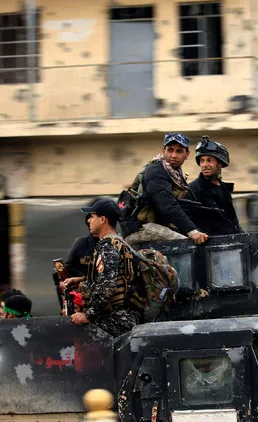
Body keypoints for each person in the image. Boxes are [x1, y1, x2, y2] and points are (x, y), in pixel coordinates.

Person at [65, 198, 146, 337]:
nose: (89, 220)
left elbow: (106, 287)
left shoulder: (108, 246)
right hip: (125, 318)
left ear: (102, 219)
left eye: (92, 216)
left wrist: (88, 315)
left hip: (115, 320)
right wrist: (81, 280)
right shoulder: (119, 243)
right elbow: (115, 276)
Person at [121, 132, 209, 245]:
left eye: (179, 151)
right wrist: (192, 231)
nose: (174, 155)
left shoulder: (176, 176)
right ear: (164, 151)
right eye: (170, 150)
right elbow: (167, 205)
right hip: (138, 227)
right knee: (185, 244)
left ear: (187, 154)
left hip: (153, 225)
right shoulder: (156, 172)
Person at [185, 136, 244, 236]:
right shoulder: (192, 190)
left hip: (231, 243)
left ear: (220, 163)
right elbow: (187, 222)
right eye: (202, 160)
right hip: (208, 247)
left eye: (209, 160)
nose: (204, 164)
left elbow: (232, 222)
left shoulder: (224, 189)